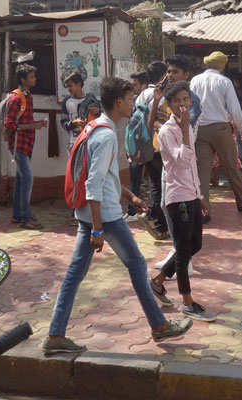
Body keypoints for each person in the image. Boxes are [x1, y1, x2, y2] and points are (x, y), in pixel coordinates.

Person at [42, 77, 193, 355]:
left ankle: (55, 335)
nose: (132, 103)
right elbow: (93, 184)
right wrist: (98, 229)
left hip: (90, 214)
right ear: (119, 102)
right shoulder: (106, 135)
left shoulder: (96, 127)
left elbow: (104, 176)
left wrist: (130, 196)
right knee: (136, 265)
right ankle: (159, 325)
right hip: (105, 216)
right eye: (129, 98)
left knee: (75, 274)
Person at [148, 82, 215, 321]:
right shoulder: (168, 131)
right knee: (184, 251)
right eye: (177, 101)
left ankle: (157, 281)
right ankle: (187, 302)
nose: (182, 105)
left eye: (185, 99)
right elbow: (183, 161)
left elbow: (192, 167)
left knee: (195, 245)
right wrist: (185, 130)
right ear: (169, 105)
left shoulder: (185, 128)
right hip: (178, 198)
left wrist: (199, 195)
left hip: (191, 195)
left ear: (190, 101)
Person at [190, 52, 242, 215]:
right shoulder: (224, 82)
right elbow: (235, 110)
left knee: (202, 171)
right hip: (221, 129)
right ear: (222, 65)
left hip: (200, 129)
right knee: (231, 166)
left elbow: (191, 105)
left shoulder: (195, 80)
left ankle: (203, 211)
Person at [3, 64, 47, 229]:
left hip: (26, 143)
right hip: (18, 144)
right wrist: (32, 126)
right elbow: (9, 124)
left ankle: (18, 215)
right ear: (23, 79)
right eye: (31, 77)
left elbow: (24, 121)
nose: (34, 79)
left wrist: (36, 124)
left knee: (21, 179)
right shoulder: (16, 98)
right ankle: (25, 218)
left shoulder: (28, 96)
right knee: (27, 178)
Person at [135, 61, 170, 240]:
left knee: (155, 184)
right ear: (163, 76)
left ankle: (159, 223)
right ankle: (152, 215)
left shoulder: (141, 94)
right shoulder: (160, 96)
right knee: (162, 185)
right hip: (158, 143)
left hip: (143, 145)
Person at [126, 71, 150, 219]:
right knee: (135, 178)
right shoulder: (132, 100)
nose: (132, 87)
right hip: (135, 145)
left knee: (152, 180)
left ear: (143, 85)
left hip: (147, 146)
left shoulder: (151, 100)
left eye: (134, 84)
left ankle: (149, 211)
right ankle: (132, 211)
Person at [60, 72, 89, 151]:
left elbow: (98, 120)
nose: (68, 89)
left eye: (70, 86)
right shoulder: (67, 101)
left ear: (79, 85)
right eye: (67, 86)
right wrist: (73, 123)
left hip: (88, 141)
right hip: (73, 143)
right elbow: (63, 123)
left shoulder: (90, 100)